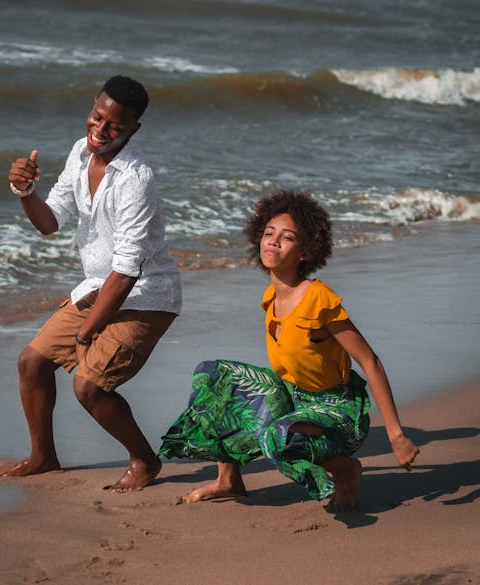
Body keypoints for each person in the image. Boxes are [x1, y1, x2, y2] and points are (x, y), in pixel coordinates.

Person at [159, 189, 419, 511]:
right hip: (295, 396)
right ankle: (228, 479)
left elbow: (370, 361)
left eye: (287, 237)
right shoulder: (271, 297)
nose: (274, 242)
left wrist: (395, 435)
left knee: (275, 437)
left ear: (306, 251)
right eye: (269, 234)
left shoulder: (318, 299)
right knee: (215, 376)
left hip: (335, 412)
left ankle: (345, 469)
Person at [0, 75, 182, 492]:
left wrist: (86, 330)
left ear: (133, 129)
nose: (100, 130)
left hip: (147, 296)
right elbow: (50, 221)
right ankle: (43, 456)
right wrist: (25, 190)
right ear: (91, 110)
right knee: (31, 363)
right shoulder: (81, 152)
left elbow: (128, 270)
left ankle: (145, 461)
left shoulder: (137, 179)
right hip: (100, 285)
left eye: (115, 125)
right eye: (97, 117)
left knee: (89, 386)